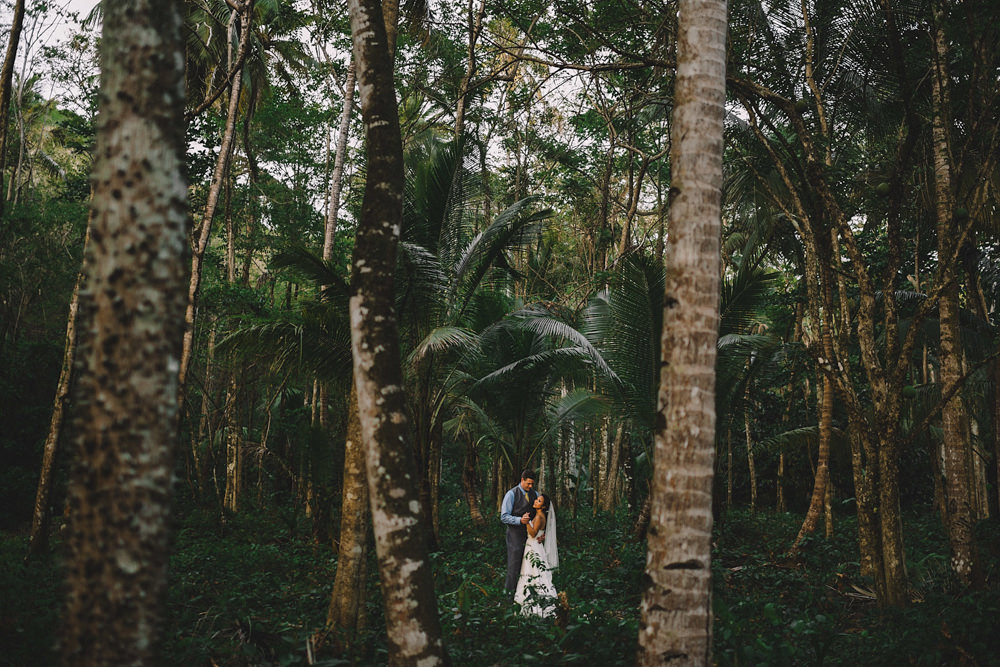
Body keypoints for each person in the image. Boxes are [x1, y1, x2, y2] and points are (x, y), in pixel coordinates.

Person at [513, 493, 559, 617]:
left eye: (539, 501)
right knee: (536, 573)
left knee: (532, 572)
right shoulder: (540, 515)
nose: (535, 501)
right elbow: (539, 533)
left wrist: (527, 522)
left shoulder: (539, 516)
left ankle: (532, 604)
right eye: (537, 499)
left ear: (543, 506)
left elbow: (533, 533)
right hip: (535, 546)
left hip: (533, 547)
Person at [500, 470, 537, 598]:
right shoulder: (511, 494)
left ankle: (525, 596)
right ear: (522, 480)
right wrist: (519, 520)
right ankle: (509, 596)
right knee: (514, 566)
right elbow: (504, 517)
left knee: (529, 566)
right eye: (528, 483)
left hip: (531, 536)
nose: (530, 486)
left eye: (532, 484)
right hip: (514, 535)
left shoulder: (535, 494)